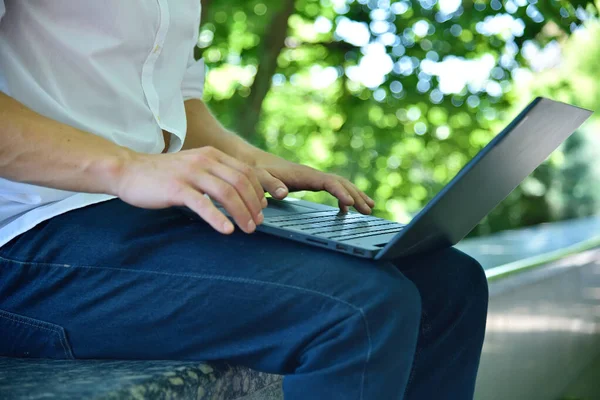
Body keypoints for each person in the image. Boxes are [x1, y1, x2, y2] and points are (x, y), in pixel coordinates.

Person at [0, 1, 488, 399]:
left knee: (449, 282)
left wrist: (251, 160)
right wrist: (126, 168)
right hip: (30, 236)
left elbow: (172, 100)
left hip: (148, 211)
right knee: (357, 311)